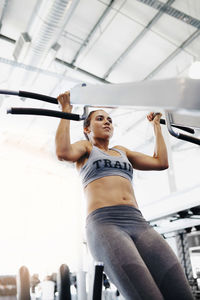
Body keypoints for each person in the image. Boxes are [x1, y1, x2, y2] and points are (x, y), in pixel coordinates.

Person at [55, 91, 194, 300]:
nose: (107, 122)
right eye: (100, 119)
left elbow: (161, 162)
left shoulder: (122, 151)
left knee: (182, 293)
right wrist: (66, 111)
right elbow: (63, 152)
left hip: (138, 222)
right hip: (105, 224)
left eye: (109, 119)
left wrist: (156, 126)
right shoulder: (86, 148)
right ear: (87, 129)